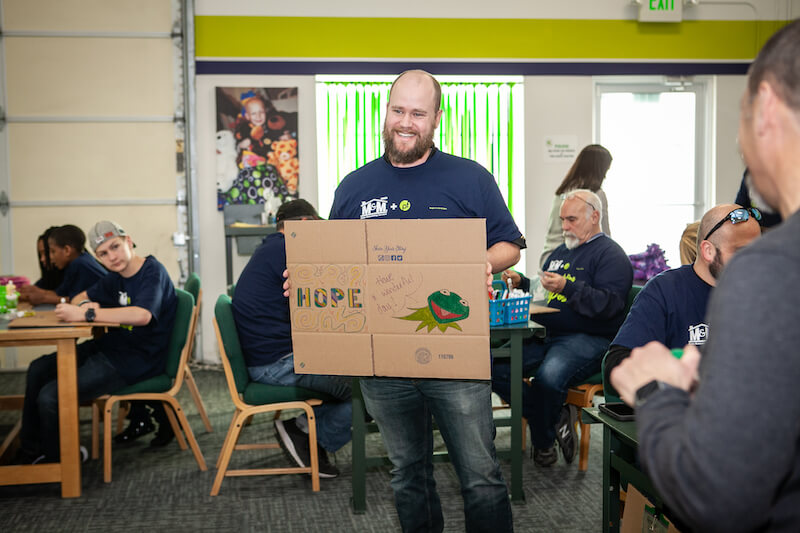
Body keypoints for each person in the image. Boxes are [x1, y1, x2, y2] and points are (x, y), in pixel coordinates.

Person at [610, 20, 800, 532]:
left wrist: (656, 392)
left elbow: (717, 495)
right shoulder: (670, 289)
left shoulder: (772, 271)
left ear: (764, 110)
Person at [327, 70, 524, 532]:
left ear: (436, 118)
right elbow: (336, 264)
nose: (406, 122)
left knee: (480, 476)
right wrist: (311, 285)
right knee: (408, 475)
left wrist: (483, 263)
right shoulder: (354, 187)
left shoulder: (470, 177)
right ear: (386, 110)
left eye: (418, 113)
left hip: (455, 356)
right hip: (384, 364)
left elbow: (510, 245)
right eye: (399, 110)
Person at [18, 221, 176, 464]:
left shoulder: (152, 272)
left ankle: (59, 461)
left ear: (129, 241)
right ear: (98, 258)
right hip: (111, 347)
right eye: (103, 253)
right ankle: (31, 449)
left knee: (50, 396)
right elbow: (82, 297)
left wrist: (87, 314)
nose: (112, 257)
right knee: (39, 368)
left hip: (138, 360)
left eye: (115, 246)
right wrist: (84, 305)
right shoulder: (115, 277)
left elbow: (142, 315)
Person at [493, 189, 632, 467]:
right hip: (547, 333)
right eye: (562, 220)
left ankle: (544, 443)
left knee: (548, 379)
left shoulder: (611, 255)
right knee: (492, 366)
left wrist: (568, 288)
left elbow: (609, 306)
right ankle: (552, 415)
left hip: (588, 337)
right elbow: (542, 288)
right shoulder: (560, 252)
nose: (564, 227)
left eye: (571, 219)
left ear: (594, 216)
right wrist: (522, 282)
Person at [233, 198, 351, 479]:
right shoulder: (288, 248)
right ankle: (307, 433)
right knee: (371, 390)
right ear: (307, 224)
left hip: (272, 356)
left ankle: (303, 428)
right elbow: (330, 297)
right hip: (278, 364)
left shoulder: (271, 247)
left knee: (356, 372)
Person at [603, 203, 762, 390]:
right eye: (741, 252)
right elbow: (618, 362)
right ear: (708, 251)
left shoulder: (764, 294)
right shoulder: (666, 291)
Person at [539, 144, 612, 268]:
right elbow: (604, 235)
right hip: (571, 262)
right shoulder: (596, 195)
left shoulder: (561, 192)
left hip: (548, 259)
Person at [19, 224, 108, 305]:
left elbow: (75, 300)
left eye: (53, 252)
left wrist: (43, 298)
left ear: (67, 250)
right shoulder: (77, 262)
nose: (51, 257)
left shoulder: (80, 264)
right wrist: (37, 291)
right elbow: (60, 293)